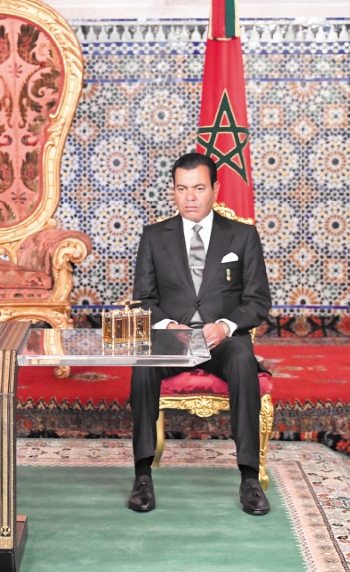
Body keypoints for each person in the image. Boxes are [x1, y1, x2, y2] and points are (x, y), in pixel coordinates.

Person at [127, 152, 271, 515]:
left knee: (243, 358)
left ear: (215, 190)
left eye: (199, 188)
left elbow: (257, 302)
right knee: (142, 364)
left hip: (222, 339)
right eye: (182, 189)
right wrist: (167, 326)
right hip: (171, 339)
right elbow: (143, 301)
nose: (190, 197)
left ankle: (249, 478)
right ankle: (142, 476)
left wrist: (223, 327)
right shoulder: (154, 236)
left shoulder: (242, 235)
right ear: (173, 192)